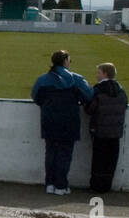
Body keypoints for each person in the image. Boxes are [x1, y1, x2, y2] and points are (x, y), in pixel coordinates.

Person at [30, 49, 93, 195]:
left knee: (51, 151)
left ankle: (50, 184)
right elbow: (88, 95)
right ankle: (61, 185)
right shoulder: (76, 79)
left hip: (49, 119)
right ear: (65, 61)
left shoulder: (42, 79)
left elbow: (35, 97)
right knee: (65, 153)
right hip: (69, 120)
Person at [87, 63, 128, 193]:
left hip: (100, 131)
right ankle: (106, 185)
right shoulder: (121, 90)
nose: (97, 75)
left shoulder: (98, 89)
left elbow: (90, 109)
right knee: (111, 160)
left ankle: (96, 186)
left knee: (98, 159)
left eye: (98, 72)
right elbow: (124, 106)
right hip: (116, 132)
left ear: (105, 73)